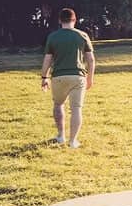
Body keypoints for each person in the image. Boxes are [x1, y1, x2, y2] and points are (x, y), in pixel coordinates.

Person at [40, 8, 95, 148]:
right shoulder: (82, 35)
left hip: (58, 76)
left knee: (58, 105)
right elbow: (91, 60)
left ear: (59, 21)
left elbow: (47, 59)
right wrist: (90, 78)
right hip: (78, 77)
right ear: (75, 20)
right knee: (76, 109)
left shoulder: (53, 37)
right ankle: (73, 141)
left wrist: (44, 76)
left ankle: (60, 136)